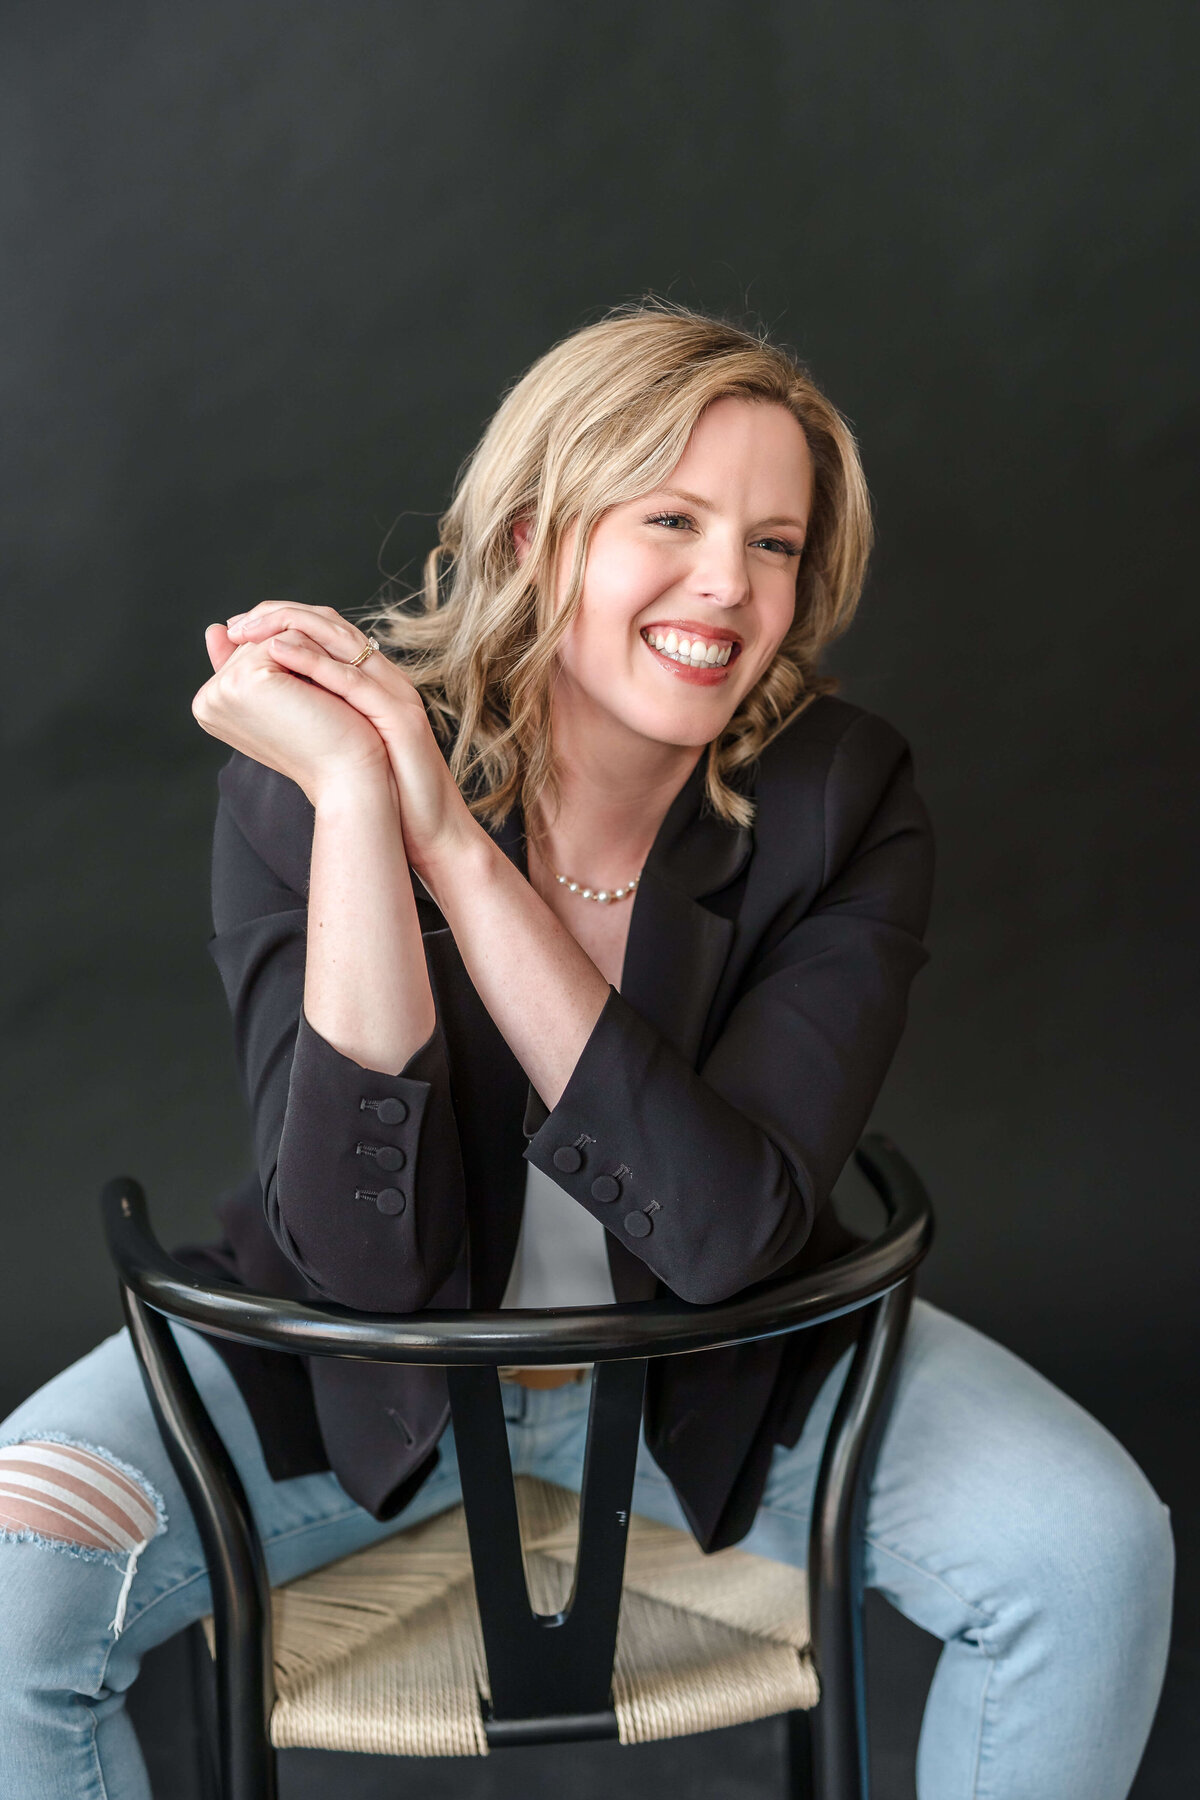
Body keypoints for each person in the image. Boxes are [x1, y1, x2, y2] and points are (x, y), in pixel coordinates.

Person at [0, 303, 1173, 1800]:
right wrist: (370, 813)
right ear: (536, 538)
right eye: (670, 518)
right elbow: (362, 1265)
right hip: (347, 1387)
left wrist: (460, 860)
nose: (727, 587)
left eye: (773, 542)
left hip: (735, 1382)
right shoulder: (311, 780)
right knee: (12, 1575)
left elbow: (726, 1233)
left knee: (1094, 1553)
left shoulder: (841, 797)